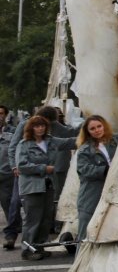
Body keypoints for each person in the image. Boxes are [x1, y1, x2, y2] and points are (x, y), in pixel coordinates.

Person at [6, 106, 76, 251]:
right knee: (33, 220)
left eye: (43, 125)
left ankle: (40, 246)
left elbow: (68, 141)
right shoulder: (24, 144)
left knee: (45, 218)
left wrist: (87, 135)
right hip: (32, 187)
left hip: (47, 185)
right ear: (31, 128)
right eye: (37, 126)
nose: (40, 129)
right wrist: (43, 168)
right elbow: (23, 166)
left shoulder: (50, 141)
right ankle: (28, 250)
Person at [75, 115, 118, 242]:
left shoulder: (115, 141)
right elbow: (84, 169)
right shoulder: (84, 150)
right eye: (92, 128)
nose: (97, 130)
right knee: (86, 234)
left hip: (112, 193)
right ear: (87, 132)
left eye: (99, 126)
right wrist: (105, 170)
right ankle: (81, 260)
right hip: (91, 195)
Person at [0, 106, 13, 242]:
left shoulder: (11, 134)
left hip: (6, 175)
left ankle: (12, 228)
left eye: (1, 114)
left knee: (8, 203)